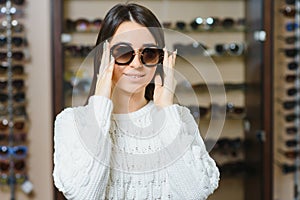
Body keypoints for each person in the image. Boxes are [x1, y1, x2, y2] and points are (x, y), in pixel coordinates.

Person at [53, 3, 219, 200]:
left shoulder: (178, 118)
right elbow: (83, 194)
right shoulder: (72, 122)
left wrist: (165, 110)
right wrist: (100, 106)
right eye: (124, 52)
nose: (137, 64)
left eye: (148, 53)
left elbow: (194, 193)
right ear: (103, 56)